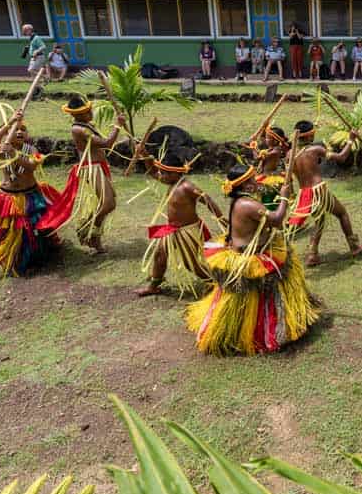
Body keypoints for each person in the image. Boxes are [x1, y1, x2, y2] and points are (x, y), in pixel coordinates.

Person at [184, 165, 320, 356]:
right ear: (245, 186)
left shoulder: (242, 201)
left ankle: (256, 329)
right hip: (249, 258)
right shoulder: (247, 205)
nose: (256, 182)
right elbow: (277, 220)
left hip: (250, 251)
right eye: (252, 180)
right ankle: (262, 333)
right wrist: (284, 197)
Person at [0, 110, 60, 277]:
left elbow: (31, 165)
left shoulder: (32, 149)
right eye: (16, 129)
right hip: (7, 198)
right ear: (8, 133)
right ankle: (13, 258)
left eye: (23, 129)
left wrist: (14, 154)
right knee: (8, 230)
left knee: (32, 230)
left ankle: (34, 258)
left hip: (29, 195)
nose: (20, 132)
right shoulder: (2, 149)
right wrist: (9, 123)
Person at [37, 95, 126, 253]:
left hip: (99, 166)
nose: (91, 112)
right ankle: (86, 228)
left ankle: (94, 238)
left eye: (89, 109)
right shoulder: (79, 129)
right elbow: (106, 143)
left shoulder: (87, 125)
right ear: (76, 114)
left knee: (107, 203)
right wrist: (117, 126)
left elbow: (102, 143)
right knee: (108, 204)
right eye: (87, 111)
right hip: (91, 168)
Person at [134, 149, 224, 298]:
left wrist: (221, 219)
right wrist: (145, 156)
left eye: (165, 173)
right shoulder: (172, 181)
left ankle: (215, 284)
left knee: (191, 264)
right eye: (162, 172)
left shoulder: (188, 187)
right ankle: (153, 286)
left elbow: (208, 200)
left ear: (176, 173)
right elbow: (153, 173)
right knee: (159, 256)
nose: (162, 176)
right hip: (171, 230)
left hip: (187, 231)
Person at [286, 121, 362, 266]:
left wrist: (291, 196)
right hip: (318, 190)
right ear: (309, 136)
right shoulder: (315, 149)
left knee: (320, 220)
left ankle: (312, 254)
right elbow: (341, 157)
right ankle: (354, 247)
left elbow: (289, 179)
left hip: (304, 194)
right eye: (313, 134)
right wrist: (351, 140)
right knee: (342, 213)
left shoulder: (290, 154)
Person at [251, 125, 289, 209]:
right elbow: (262, 139)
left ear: (275, 141)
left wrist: (253, 146)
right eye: (266, 137)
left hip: (270, 180)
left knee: (269, 203)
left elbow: (257, 157)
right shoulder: (270, 149)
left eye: (268, 138)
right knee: (263, 201)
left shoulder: (276, 151)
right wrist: (263, 129)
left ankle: (273, 214)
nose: (265, 140)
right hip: (264, 177)